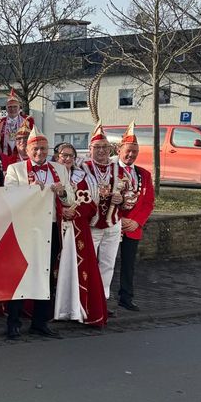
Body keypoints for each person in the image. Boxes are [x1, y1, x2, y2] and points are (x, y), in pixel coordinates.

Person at [3, 123, 72, 339]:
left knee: (47, 274)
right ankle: (13, 322)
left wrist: (62, 193)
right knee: (20, 272)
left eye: (43, 148)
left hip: (50, 227)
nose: (40, 152)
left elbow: (70, 200)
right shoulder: (15, 169)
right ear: (27, 149)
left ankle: (40, 322)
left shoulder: (60, 169)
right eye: (36, 149)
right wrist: (33, 191)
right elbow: (10, 197)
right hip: (25, 227)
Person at [53, 143, 108, 327]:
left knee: (78, 268)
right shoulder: (50, 174)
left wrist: (74, 212)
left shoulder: (83, 178)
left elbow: (91, 205)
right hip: (55, 227)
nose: (67, 159)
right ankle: (54, 309)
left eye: (71, 156)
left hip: (77, 230)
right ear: (57, 157)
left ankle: (76, 308)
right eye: (64, 155)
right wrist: (61, 211)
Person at [115, 123, 155, 312]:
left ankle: (126, 297)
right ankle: (101, 298)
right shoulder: (110, 170)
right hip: (112, 224)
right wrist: (119, 219)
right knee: (104, 264)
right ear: (119, 150)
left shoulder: (144, 174)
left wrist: (136, 221)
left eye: (135, 152)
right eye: (128, 151)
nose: (131, 155)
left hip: (132, 227)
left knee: (129, 265)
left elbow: (148, 202)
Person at [81, 122, 123, 301]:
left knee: (108, 263)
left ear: (110, 149)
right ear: (90, 149)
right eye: (97, 147)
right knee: (88, 262)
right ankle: (87, 298)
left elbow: (130, 192)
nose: (101, 150)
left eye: (104, 147)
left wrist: (121, 199)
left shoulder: (118, 168)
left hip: (113, 222)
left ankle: (102, 299)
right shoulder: (82, 168)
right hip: (91, 224)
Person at [0, 88, 35, 162]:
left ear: (19, 108)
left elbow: (32, 138)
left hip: (22, 155)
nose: (12, 109)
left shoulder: (28, 120)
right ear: (6, 109)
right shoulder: (1, 122)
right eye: (10, 107)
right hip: (5, 155)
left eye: (15, 106)